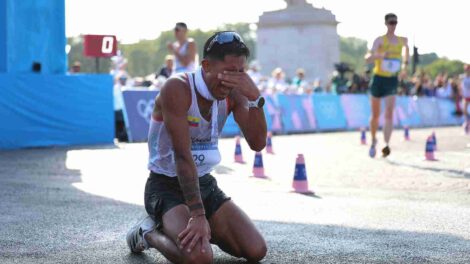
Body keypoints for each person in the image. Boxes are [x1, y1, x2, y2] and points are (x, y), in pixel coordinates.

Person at [126, 31, 267, 263]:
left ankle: (195, 231)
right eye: (229, 71)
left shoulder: (235, 92)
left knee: (256, 250)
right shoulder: (177, 88)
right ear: (206, 65)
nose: (234, 79)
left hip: (204, 183)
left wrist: (256, 98)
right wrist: (198, 214)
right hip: (166, 185)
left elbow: (258, 143)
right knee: (200, 259)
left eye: (240, 72)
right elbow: (182, 156)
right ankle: (148, 233)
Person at [365, 13, 409, 158]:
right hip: (378, 79)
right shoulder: (379, 40)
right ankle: (373, 140)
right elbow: (367, 58)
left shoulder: (402, 40)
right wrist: (380, 55)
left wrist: (404, 67)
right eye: (391, 22)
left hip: (391, 79)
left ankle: (386, 144)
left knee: (389, 112)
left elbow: (406, 51)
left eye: (395, 22)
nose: (393, 25)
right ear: (386, 23)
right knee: (376, 114)